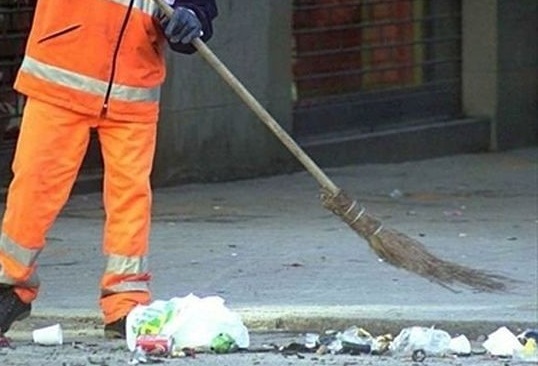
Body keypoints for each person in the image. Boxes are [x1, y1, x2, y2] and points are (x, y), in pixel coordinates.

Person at [0, 0, 217, 339]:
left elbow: (197, 6)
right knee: (34, 187)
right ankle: (9, 286)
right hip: (61, 70)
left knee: (130, 199)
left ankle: (126, 304)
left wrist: (191, 19)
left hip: (133, 85)